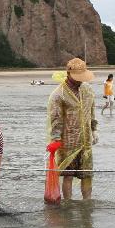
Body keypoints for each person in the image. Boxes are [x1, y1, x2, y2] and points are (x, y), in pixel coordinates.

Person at [48, 58, 98, 200]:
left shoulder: (87, 89)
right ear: (68, 74)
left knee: (86, 175)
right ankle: (68, 203)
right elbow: (56, 119)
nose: (80, 80)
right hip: (68, 143)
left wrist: (94, 129)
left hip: (86, 142)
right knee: (68, 175)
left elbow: (91, 111)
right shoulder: (59, 94)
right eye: (77, 77)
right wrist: (56, 139)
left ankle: (87, 204)